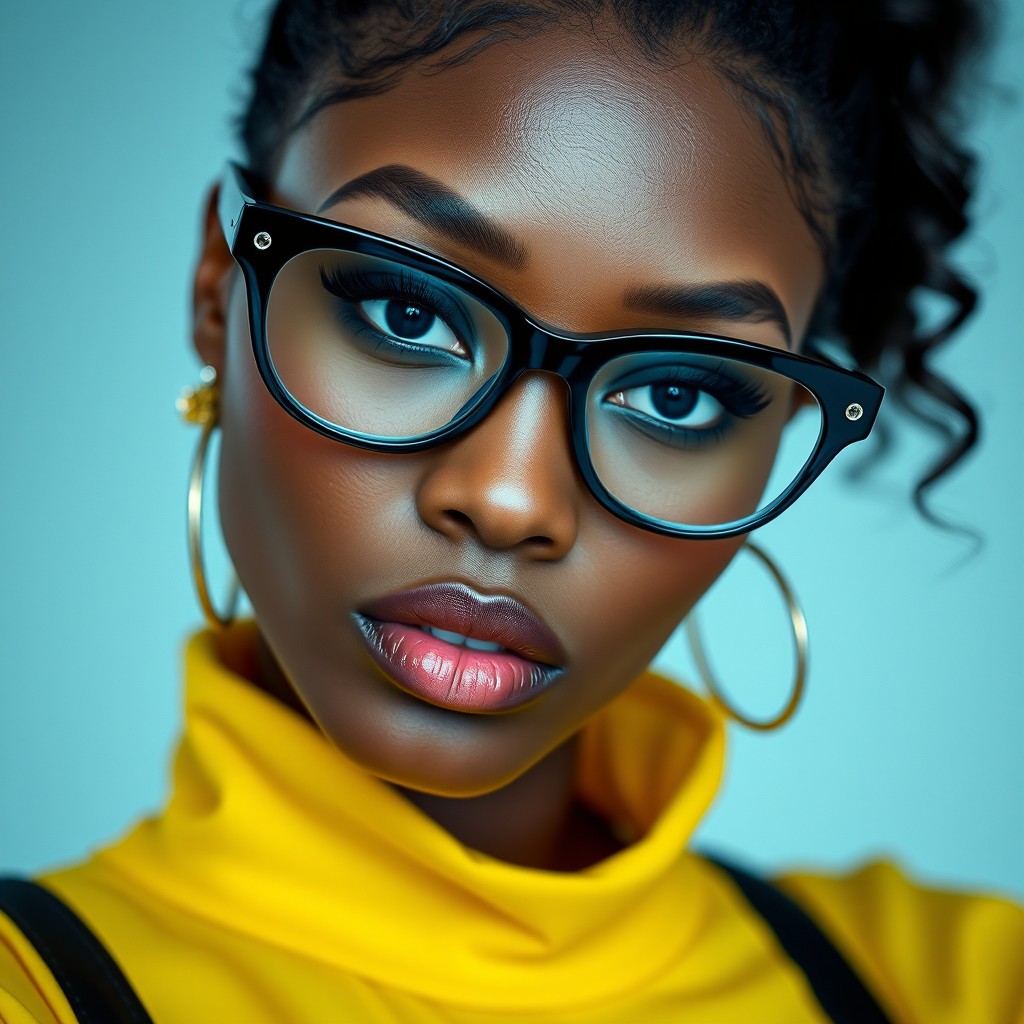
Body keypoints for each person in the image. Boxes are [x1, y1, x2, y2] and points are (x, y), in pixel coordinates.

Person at [1, 0, 1022, 1021]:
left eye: (677, 393)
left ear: (774, 440)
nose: (507, 500)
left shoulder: (935, 983)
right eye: (408, 312)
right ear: (222, 287)